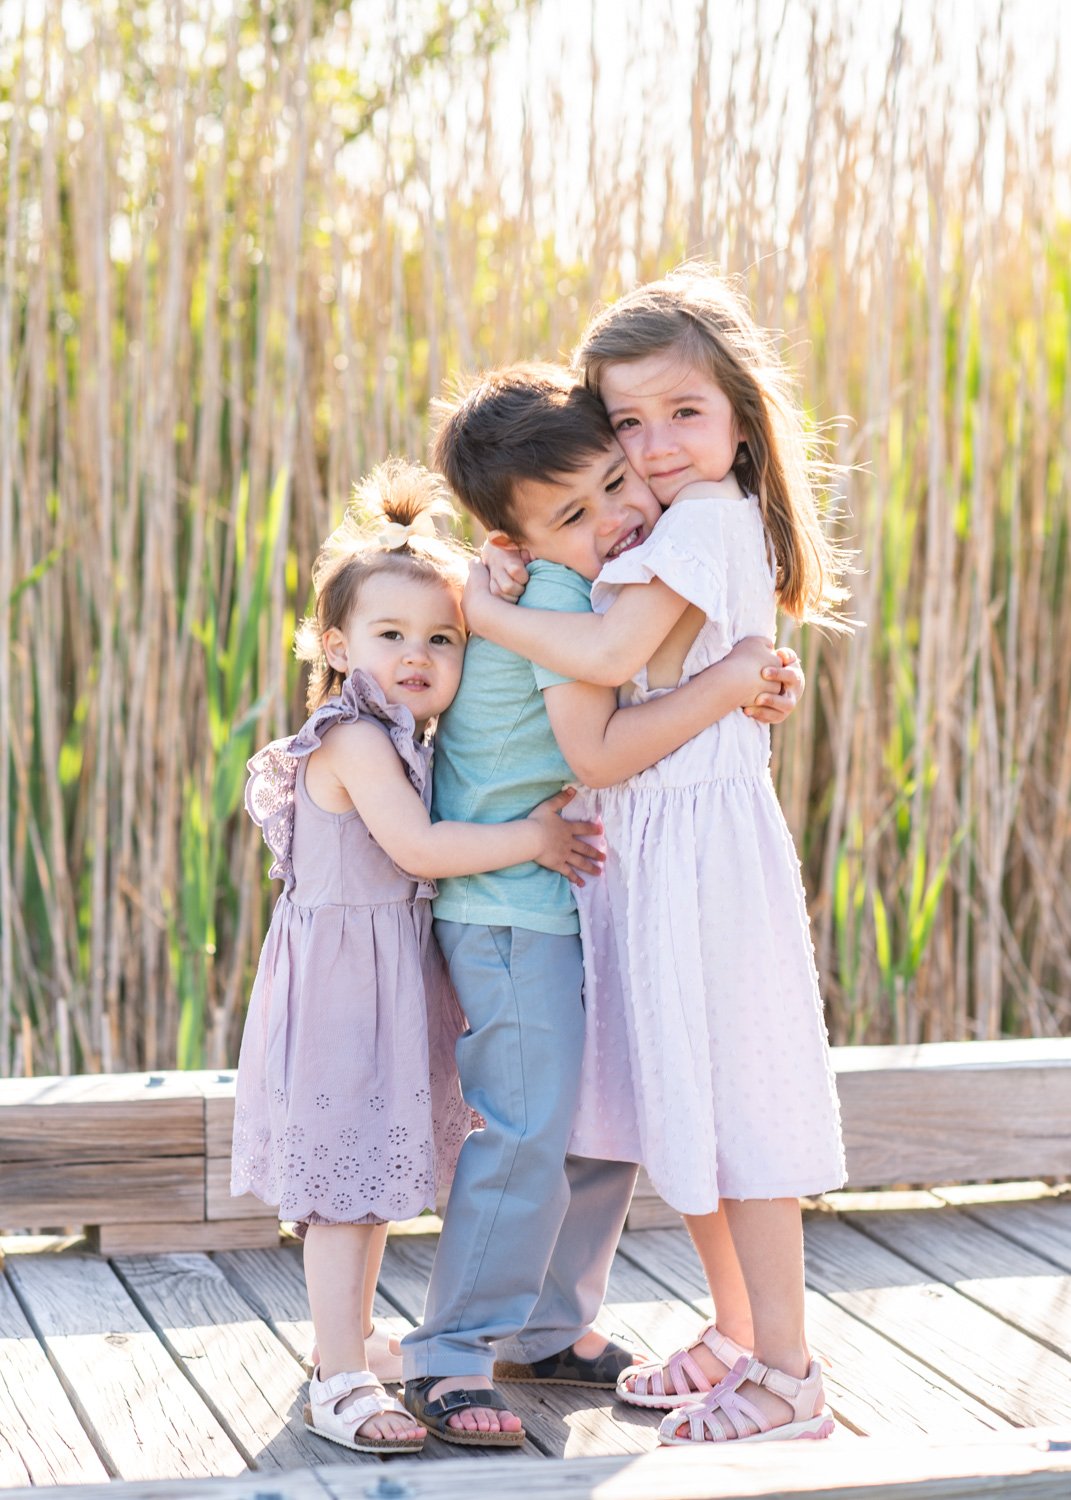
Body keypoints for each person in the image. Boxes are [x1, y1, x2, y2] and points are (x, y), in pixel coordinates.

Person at [463, 265, 849, 1446]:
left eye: (684, 411)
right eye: (627, 422)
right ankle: (739, 1331)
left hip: (703, 855)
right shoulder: (665, 530)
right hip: (658, 850)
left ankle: (789, 1374)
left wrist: (479, 610)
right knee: (697, 1106)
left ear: (741, 414)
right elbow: (625, 678)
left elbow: (608, 668)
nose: (658, 443)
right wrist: (727, 681)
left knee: (741, 1115)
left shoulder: (709, 522)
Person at [230, 459, 604, 1456]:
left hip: (382, 980)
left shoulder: (403, 735)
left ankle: (349, 1342)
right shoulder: (353, 739)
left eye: (442, 638)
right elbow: (420, 849)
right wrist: (533, 837)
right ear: (335, 645)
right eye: (390, 636)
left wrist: (494, 578)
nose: (418, 655)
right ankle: (338, 1379)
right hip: (342, 991)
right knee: (344, 1193)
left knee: (368, 1179)